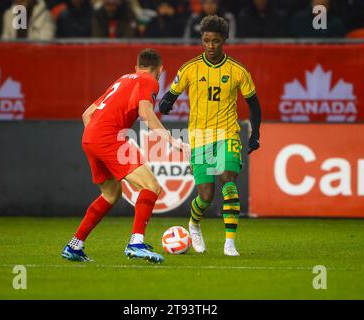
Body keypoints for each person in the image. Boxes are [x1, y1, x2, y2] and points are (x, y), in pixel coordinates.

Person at [62, 49, 189, 263]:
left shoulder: (122, 79)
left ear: (136, 67)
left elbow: (87, 114)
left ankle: (75, 245)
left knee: (111, 194)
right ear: (160, 70)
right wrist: (172, 141)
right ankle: (136, 243)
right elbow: (145, 113)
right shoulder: (150, 81)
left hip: (90, 138)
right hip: (108, 138)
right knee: (151, 186)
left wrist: (96, 140)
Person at [159, 15, 262, 256]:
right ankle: (194, 224)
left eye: (215, 41)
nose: (211, 46)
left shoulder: (237, 70)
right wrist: (165, 104)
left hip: (228, 133)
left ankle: (229, 243)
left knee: (228, 180)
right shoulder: (190, 68)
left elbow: (254, 104)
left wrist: (255, 133)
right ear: (202, 39)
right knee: (205, 196)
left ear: (224, 40)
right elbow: (170, 95)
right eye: (206, 40)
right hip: (200, 138)